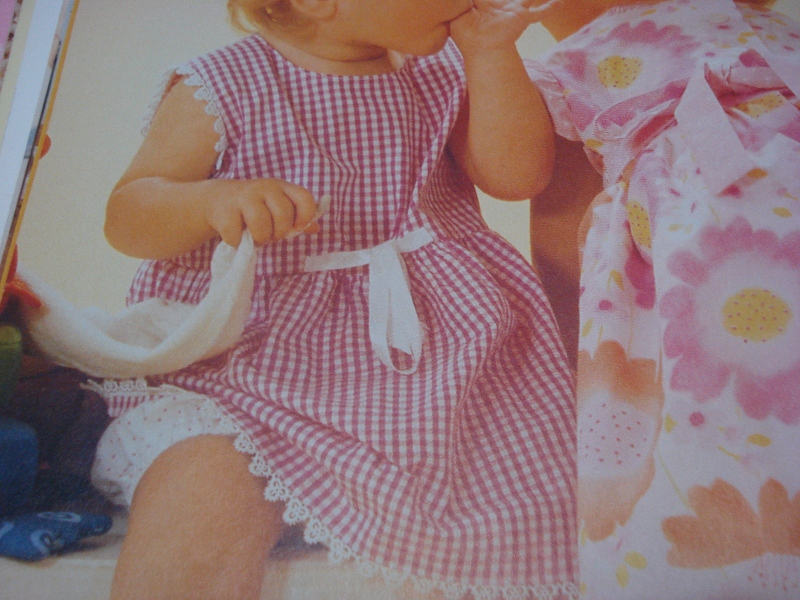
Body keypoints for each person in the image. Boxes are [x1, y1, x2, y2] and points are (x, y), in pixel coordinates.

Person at [93, 0, 578, 598]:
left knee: (526, 498)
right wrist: (211, 202)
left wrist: (491, 51)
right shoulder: (225, 84)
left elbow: (518, 176)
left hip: (436, 377)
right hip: (251, 372)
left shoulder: (443, 68)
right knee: (202, 482)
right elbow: (128, 216)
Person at [525, 0, 800, 598]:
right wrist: (573, 346)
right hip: (693, 257)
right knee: (710, 406)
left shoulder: (759, 20)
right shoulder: (569, 58)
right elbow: (557, 215)